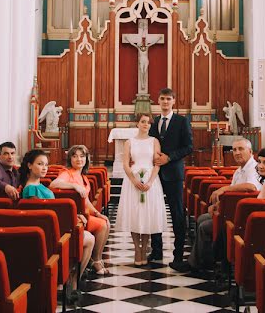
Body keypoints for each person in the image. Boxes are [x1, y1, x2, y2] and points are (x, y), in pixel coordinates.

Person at [19, 149, 93, 302]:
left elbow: (52, 210)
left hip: (54, 228)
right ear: (29, 166)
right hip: (50, 233)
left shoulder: (38, 185)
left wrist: (76, 215)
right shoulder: (31, 189)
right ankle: (69, 281)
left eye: (46, 164)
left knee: (88, 238)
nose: (44, 168)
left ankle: (70, 279)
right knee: (89, 239)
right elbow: (41, 215)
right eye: (40, 164)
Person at [188, 137, 260, 271]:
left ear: (250, 151)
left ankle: (201, 265)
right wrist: (217, 205)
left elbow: (251, 187)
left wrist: (223, 188)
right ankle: (203, 260)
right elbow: (231, 196)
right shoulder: (239, 170)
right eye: (234, 150)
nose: (237, 152)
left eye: (241, 149)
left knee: (205, 226)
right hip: (232, 212)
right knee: (202, 218)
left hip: (242, 217)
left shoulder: (254, 168)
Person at [114, 112, 168, 266]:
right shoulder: (129, 142)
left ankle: (144, 248)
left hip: (151, 181)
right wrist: (133, 180)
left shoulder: (154, 141)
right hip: (133, 181)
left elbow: (157, 163)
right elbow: (125, 163)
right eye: (143, 122)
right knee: (135, 214)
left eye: (149, 122)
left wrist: (150, 182)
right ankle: (137, 249)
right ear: (137, 123)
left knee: (147, 215)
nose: (146, 125)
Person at [149, 87, 194, 271]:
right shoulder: (155, 122)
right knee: (154, 210)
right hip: (155, 173)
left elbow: (189, 147)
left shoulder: (182, 121)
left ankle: (178, 254)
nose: (165, 102)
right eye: (162, 99)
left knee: (176, 213)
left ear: (174, 101)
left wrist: (169, 157)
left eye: (168, 99)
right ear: (158, 101)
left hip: (173, 174)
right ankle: (156, 250)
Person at [50, 145, 111, 275]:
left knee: (105, 221)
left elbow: (86, 201)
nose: (79, 159)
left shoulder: (83, 177)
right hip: (74, 217)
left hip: (85, 213)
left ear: (86, 159)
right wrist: (73, 186)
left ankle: (96, 259)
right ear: (70, 159)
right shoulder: (67, 173)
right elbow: (53, 184)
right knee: (103, 225)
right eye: (75, 156)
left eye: (82, 156)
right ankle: (96, 261)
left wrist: (97, 213)